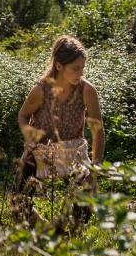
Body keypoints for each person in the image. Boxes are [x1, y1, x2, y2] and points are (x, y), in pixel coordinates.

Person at [13, 35, 105, 225]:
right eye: (75, 68)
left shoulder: (87, 91)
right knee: (18, 205)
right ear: (59, 66)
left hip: (74, 155)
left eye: (82, 68)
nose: (80, 73)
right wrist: (29, 138)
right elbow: (23, 115)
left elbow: (98, 131)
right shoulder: (40, 91)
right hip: (40, 153)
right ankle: (43, 226)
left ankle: (68, 234)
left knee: (84, 206)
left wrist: (94, 171)